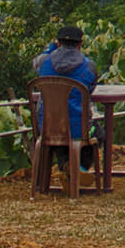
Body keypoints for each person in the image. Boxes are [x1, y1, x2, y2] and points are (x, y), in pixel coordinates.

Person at [36, 23, 100, 173]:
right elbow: (89, 90)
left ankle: (66, 167)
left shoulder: (43, 62)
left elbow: (35, 61)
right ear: (80, 44)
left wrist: (51, 48)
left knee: (60, 135)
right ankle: (79, 170)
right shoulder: (89, 66)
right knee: (98, 133)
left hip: (47, 126)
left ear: (58, 43)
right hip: (78, 129)